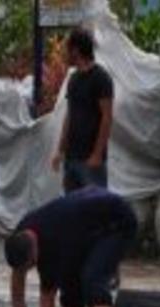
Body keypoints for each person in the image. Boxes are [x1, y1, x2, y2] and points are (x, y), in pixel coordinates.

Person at [2, 186, 137, 307]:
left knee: (93, 280)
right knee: (71, 279)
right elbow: (17, 276)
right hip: (85, 222)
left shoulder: (50, 248)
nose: (29, 271)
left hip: (118, 222)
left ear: (34, 254)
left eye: (30, 266)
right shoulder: (21, 233)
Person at [49, 28, 114, 193]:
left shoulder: (101, 78)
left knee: (95, 210)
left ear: (76, 50)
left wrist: (97, 154)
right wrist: (60, 150)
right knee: (73, 211)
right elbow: (69, 116)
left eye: (67, 49)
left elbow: (107, 117)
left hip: (91, 160)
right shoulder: (73, 79)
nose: (64, 54)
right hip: (72, 158)